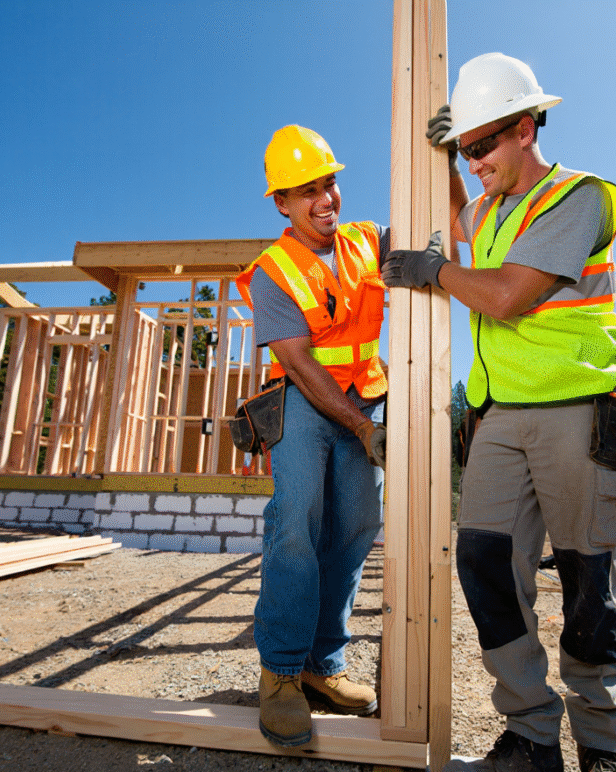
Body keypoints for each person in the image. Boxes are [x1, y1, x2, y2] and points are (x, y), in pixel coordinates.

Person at [383, 53, 616, 772]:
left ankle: (601, 746)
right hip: (499, 416)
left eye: (482, 146)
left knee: (589, 582)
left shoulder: (580, 197)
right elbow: (454, 221)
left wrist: (434, 272)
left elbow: (504, 295)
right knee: (485, 564)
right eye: (464, 150)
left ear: (526, 128)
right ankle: (530, 736)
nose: (473, 163)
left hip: (577, 412)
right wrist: (441, 156)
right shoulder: (488, 208)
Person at [235, 125, 390, 748]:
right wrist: (361, 427)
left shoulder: (367, 241)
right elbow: (300, 362)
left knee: (354, 529)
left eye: (330, 184)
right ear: (281, 203)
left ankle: (324, 667)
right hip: (306, 404)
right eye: (307, 191)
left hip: (366, 398)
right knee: (297, 527)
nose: (325, 199)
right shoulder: (272, 272)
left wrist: (450, 160)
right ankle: (280, 676)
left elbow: (446, 229)